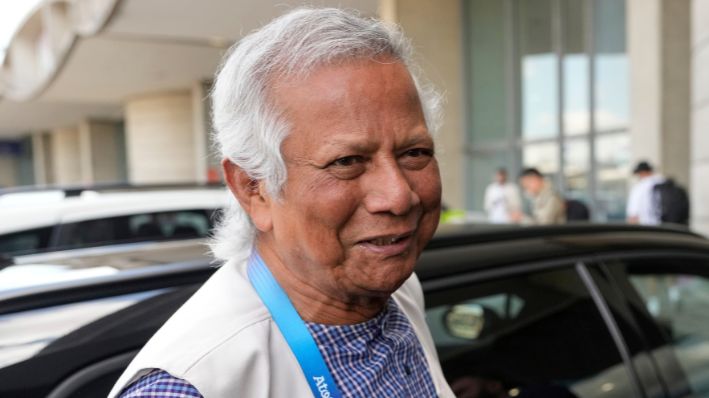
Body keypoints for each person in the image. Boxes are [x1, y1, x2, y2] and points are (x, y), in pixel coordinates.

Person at [109, 8, 454, 398]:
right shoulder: (191, 387)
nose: (398, 196)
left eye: (415, 152)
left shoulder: (396, 288)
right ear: (254, 188)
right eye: (347, 162)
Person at [626, 160, 665, 225]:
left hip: (648, 229)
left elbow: (633, 216)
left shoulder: (639, 188)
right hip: (669, 228)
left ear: (641, 173)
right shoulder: (664, 182)